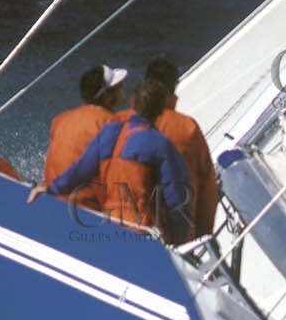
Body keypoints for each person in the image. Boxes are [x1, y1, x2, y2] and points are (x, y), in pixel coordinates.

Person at [31, 78, 193, 243]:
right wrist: (180, 238)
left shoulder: (110, 131)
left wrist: (52, 188)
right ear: (161, 110)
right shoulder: (160, 144)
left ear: (133, 102)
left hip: (108, 223)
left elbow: (81, 170)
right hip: (140, 228)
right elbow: (176, 197)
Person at [129, 58, 219, 238]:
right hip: (174, 235)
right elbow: (207, 187)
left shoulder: (121, 123)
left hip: (124, 229)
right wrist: (201, 235)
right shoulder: (187, 128)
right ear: (173, 88)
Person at [41, 65, 129, 211]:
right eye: (120, 87)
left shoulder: (60, 119)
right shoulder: (113, 125)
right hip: (86, 206)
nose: (123, 90)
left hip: (53, 196)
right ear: (107, 97)